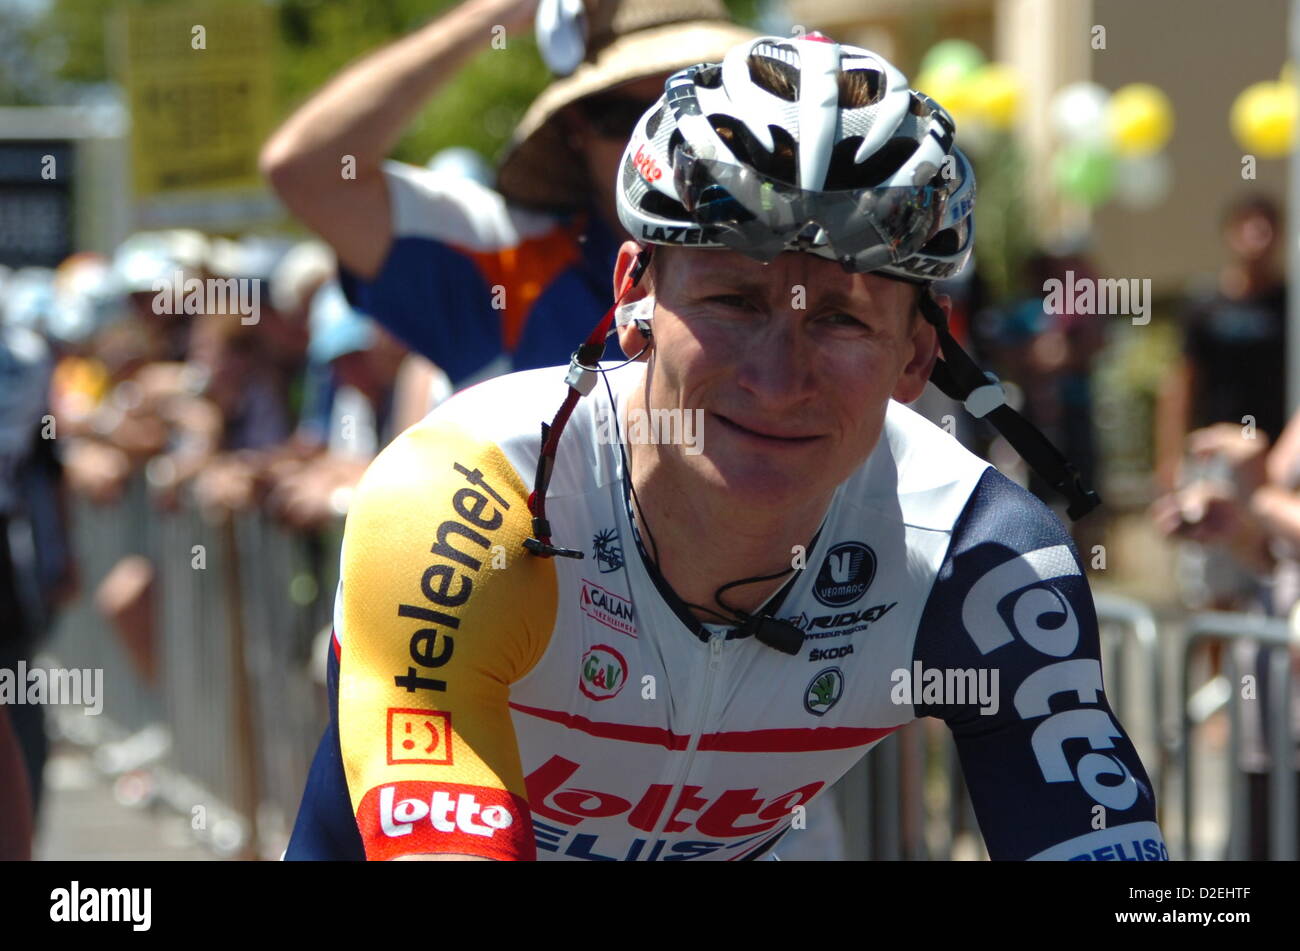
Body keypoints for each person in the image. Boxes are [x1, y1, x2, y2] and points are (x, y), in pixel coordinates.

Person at [286, 34, 1162, 861]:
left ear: (917, 358)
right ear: (634, 296)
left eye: (841, 319)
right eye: (735, 303)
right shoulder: (474, 497)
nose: (779, 379)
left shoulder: (979, 559)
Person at [260, 0, 756, 388]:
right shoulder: (507, 257)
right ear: (573, 128)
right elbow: (306, 171)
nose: (659, 136)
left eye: (688, 103)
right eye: (619, 116)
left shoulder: (811, 250)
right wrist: (491, 15)